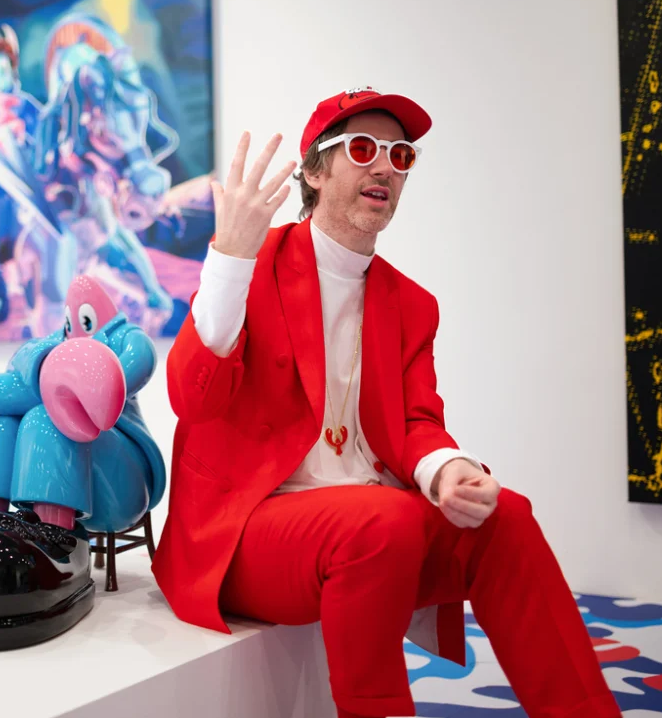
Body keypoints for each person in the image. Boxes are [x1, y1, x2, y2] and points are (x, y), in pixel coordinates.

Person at [150, 87, 621, 718]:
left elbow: (418, 421)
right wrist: (229, 257)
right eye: (363, 149)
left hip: (366, 529)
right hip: (247, 535)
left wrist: (448, 469)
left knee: (504, 516)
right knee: (384, 520)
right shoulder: (251, 265)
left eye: (400, 156)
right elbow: (191, 397)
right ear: (315, 172)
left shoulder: (412, 304)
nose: (385, 167)